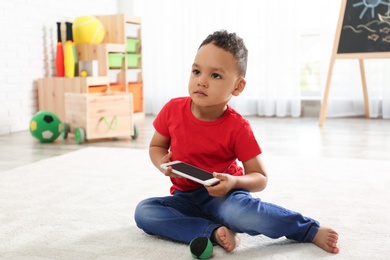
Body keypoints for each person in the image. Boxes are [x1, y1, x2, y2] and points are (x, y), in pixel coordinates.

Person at [134, 30, 339, 254]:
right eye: (196, 71)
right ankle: (213, 231)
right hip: (185, 198)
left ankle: (308, 229)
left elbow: (260, 178)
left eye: (215, 76)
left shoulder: (238, 127)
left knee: (241, 213)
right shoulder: (172, 109)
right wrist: (161, 163)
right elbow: (157, 146)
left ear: (237, 87)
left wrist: (232, 182)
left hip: (227, 198)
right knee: (145, 212)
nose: (201, 81)